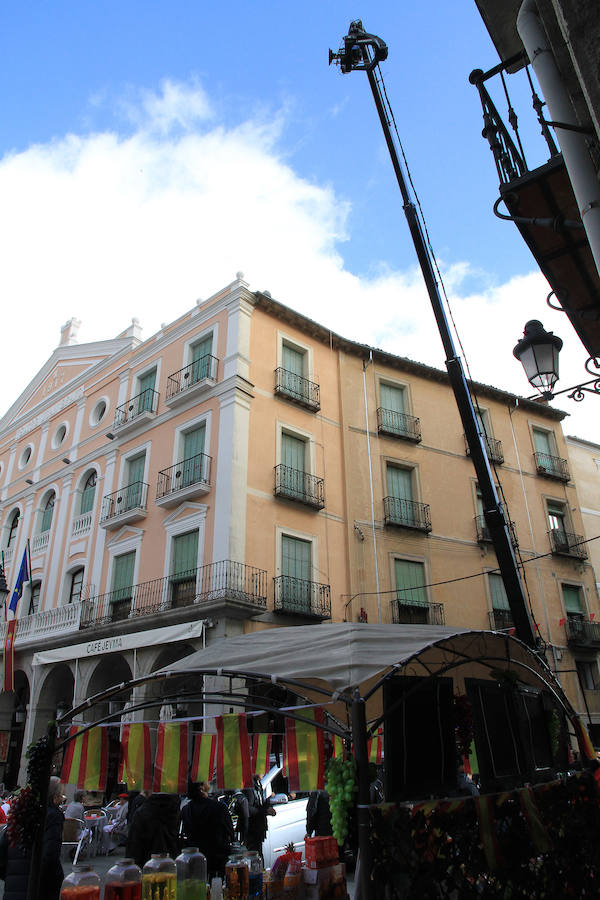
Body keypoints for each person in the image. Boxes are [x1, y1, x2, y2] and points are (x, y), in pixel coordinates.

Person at [181, 782, 234, 879]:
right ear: (201, 788)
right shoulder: (219, 807)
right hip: (218, 861)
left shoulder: (186, 810)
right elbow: (230, 832)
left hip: (196, 862)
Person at [126, 792, 180, 869]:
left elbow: (133, 850)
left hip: (147, 867)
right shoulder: (175, 809)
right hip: (172, 864)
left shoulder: (142, 812)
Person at [41, 777, 66, 900]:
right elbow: (51, 851)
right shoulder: (54, 816)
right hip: (46, 877)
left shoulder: (31, 808)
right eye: (61, 793)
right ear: (56, 796)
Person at [242, 776, 275, 856]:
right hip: (252, 830)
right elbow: (248, 808)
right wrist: (265, 811)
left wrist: (268, 803)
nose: (264, 772)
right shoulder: (249, 786)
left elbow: (260, 804)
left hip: (259, 829)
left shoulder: (258, 784)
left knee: (259, 854)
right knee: (254, 856)